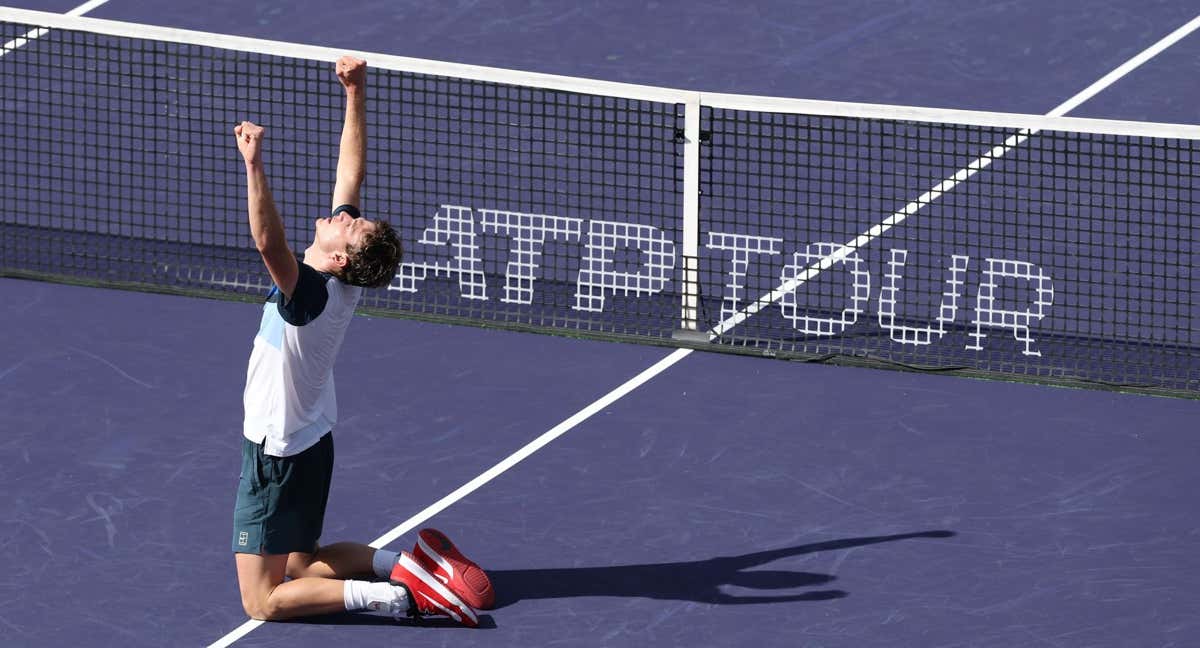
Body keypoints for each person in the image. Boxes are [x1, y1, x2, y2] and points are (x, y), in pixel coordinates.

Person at [230, 55, 494, 627]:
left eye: (350, 224)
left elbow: (268, 246)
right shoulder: (336, 282)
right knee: (302, 567)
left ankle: (395, 598)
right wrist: (355, 91)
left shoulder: (310, 296)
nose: (343, 216)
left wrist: (254, 165)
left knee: (262, 601)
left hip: (277, 452)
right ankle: (406, 564)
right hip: (313, 438)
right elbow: (351, 174)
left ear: (342, 256)